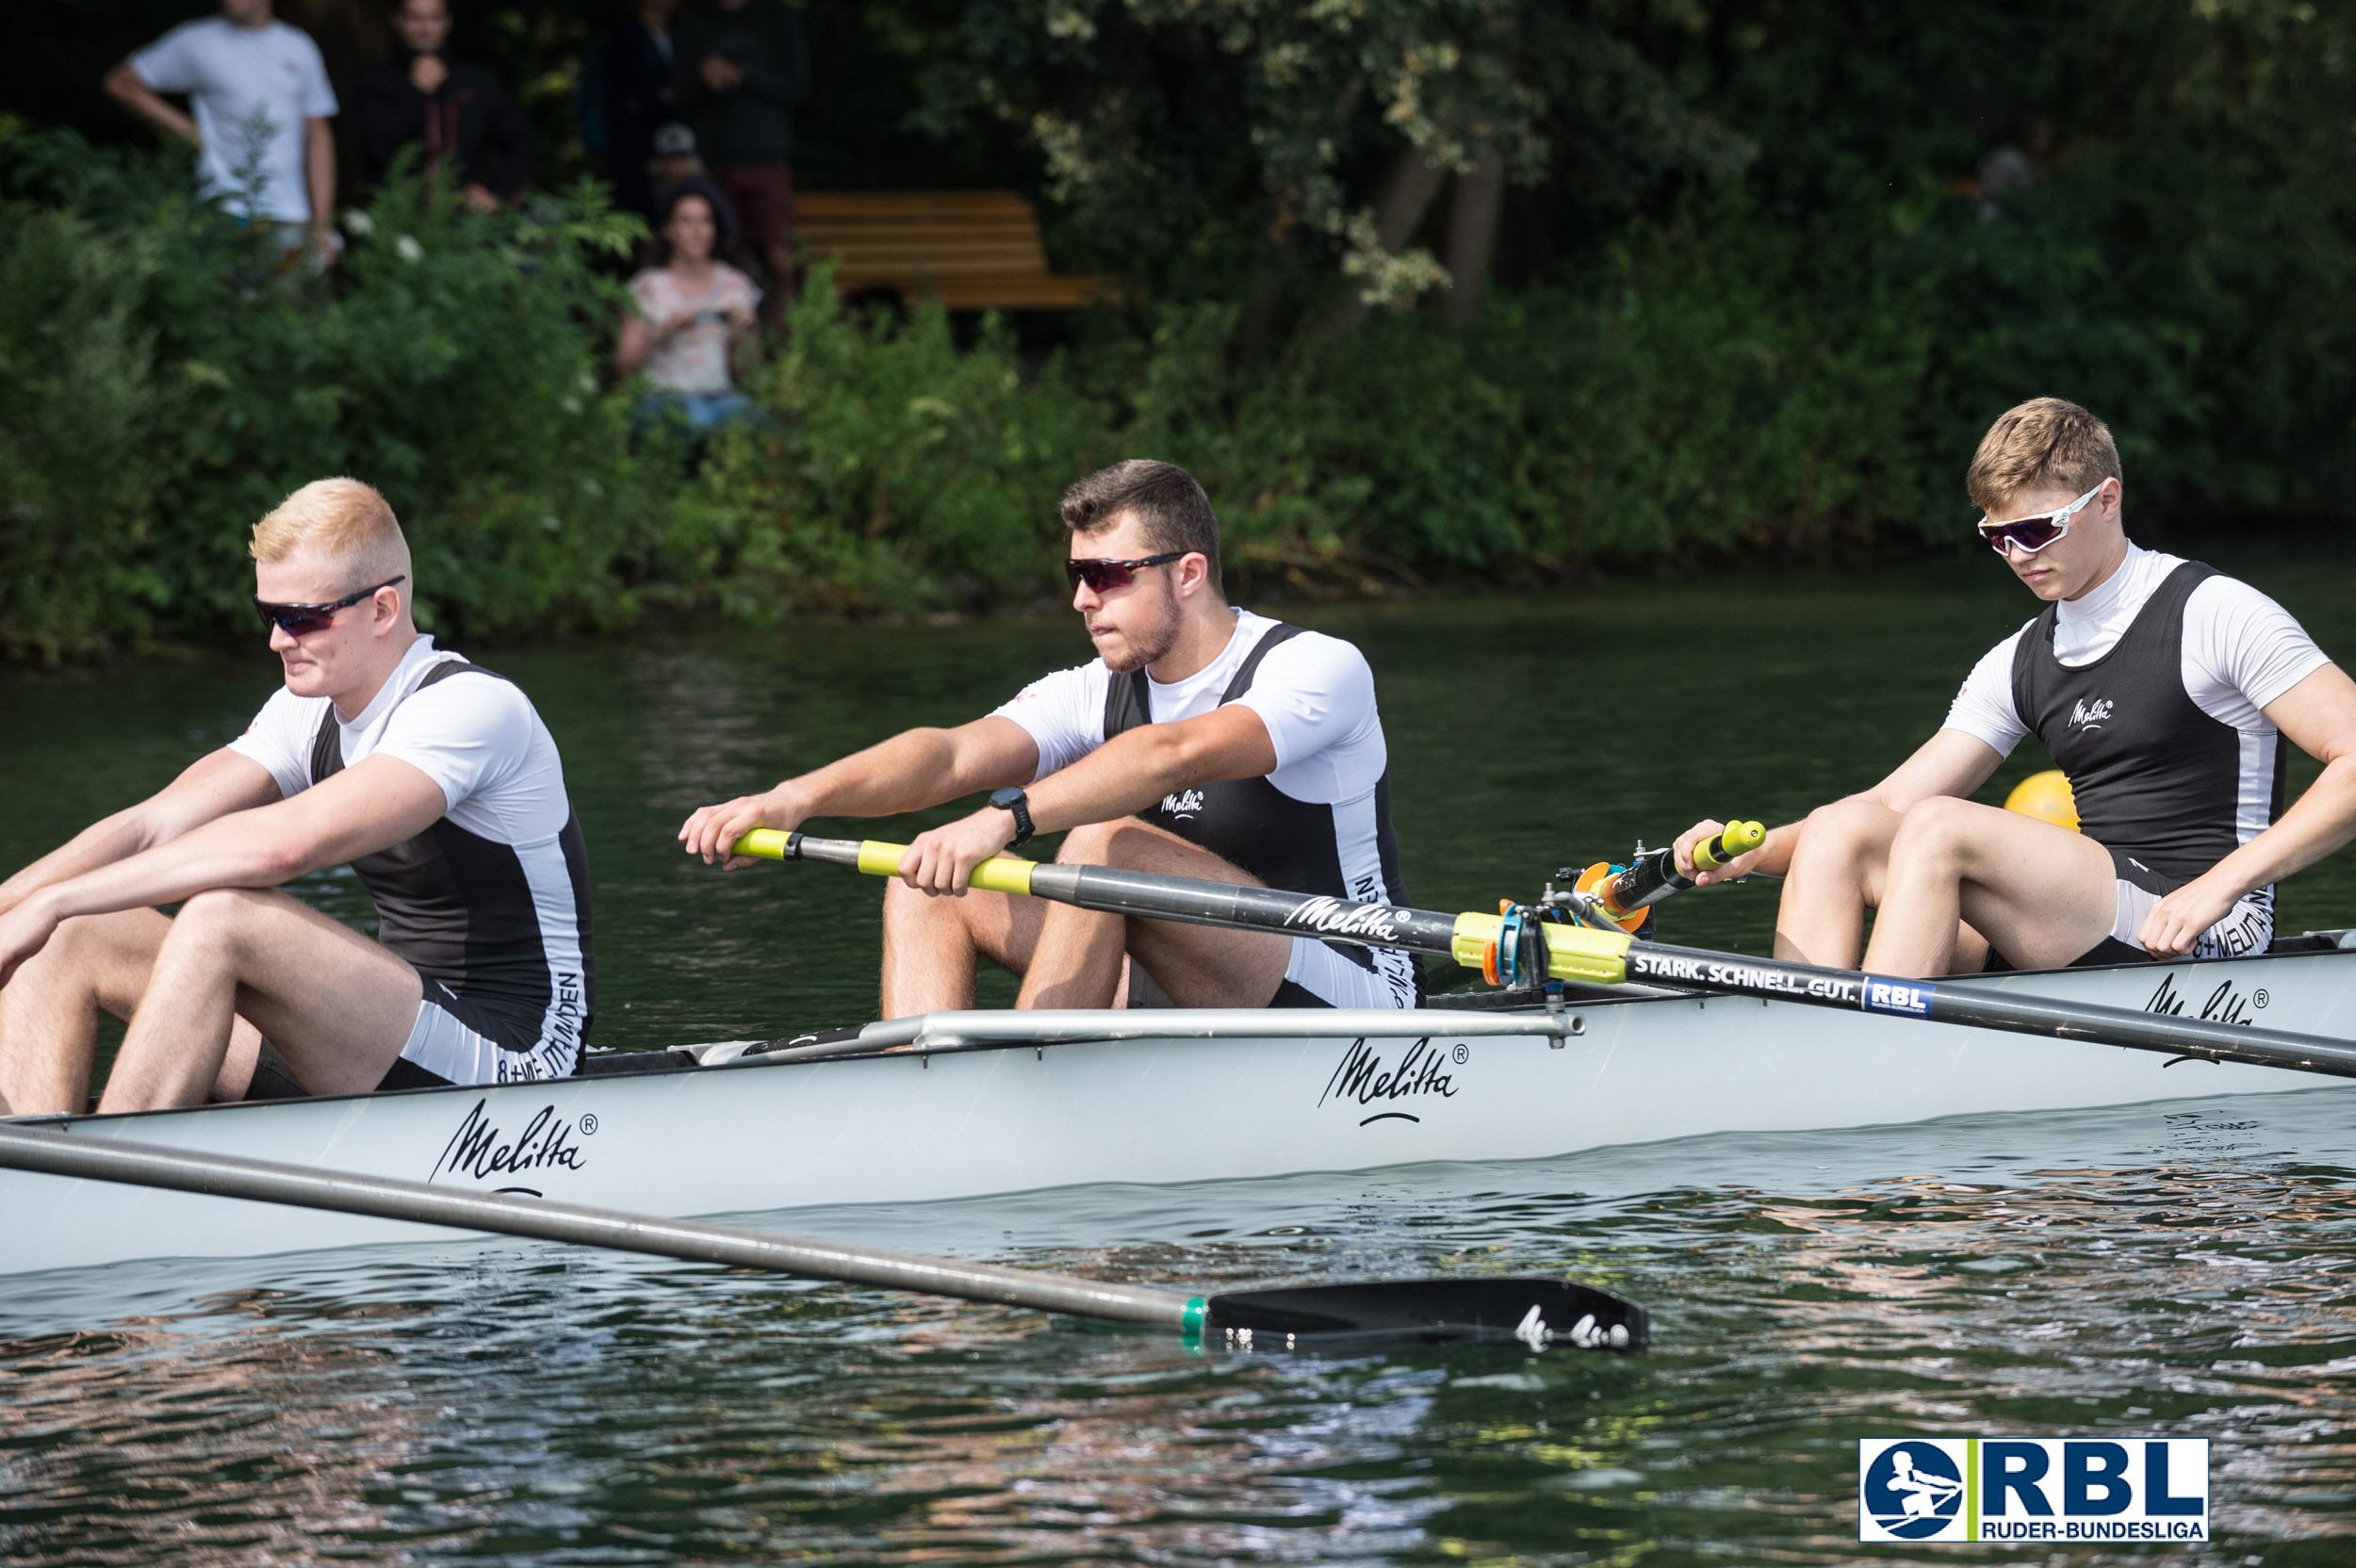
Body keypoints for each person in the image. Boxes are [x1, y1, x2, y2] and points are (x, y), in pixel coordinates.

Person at [679, 460, 1421, 1017]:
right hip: (1174, 981)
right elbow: (949, 755)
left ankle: (1036, 1080)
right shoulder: (1095, 688)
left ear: (1189, 573)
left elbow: (1173, 755)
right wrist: (791, 799)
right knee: (926, 877)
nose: (1080, 599)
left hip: (1350, 987)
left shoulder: (1318, 667)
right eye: (1075, 572)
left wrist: (1004, 819)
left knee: (1107, 844)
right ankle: (921, 1093)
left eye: (1106, 574)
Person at [1673, 397, 2356, 976]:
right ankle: (1801, 1038)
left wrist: (2220, 887)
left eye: (2036, 529)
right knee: (1839, 827)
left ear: (2107, 500)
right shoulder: (2019, 660)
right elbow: (1887, 802)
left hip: (2208, 924)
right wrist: (1755, 852)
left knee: (1941, 827)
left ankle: (1866, 1053)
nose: (2019, 556)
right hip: (2093, 910)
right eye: (1998, 537)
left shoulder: (2214, 612)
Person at [0, 480, 594, 1117]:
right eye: (269, 615)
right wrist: (22, 906)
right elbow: (151, 825)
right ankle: (32, 1169)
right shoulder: (304, 712)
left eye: (302, 618)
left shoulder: (472, 708)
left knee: (222, 914)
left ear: (383, 609)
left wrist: (56, 896)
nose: (278, 641)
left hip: (519, 1058)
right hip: (371, 1036)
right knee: (68, 929)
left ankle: (102, 1189)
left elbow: (284, 847)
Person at [103, 0, 340, 269]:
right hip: (224, 214)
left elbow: (318, 136)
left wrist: (322, 223)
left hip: (291, 217)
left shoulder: (300, 48)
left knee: (295, 310)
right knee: (221, 309)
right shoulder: (196, 41)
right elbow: (121, 83)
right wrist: (188, 131)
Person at [672, 0, 809, 300]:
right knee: (733, 261)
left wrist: (742, 76)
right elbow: (679, 98)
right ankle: (741, 344)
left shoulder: (777, 16)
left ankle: (785, 344)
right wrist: (703, 77)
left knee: (781, 260)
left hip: (768, 157)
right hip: (715, 159)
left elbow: (798, 87)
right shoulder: (693, 19)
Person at [355, 0, 534, 213]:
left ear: (448, 22)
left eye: (434, 19)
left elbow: (523, 141)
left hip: (465, 218)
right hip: (398, 216)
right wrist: (414, 93)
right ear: (398, 21)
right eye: (416, 19)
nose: (425, 28)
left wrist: (496, 193)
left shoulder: (474, 82)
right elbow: (377, 150)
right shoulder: (376, 83)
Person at [614, 179, 761, 433]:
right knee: (697, 421)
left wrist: (746, 334)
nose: (697, 231)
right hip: (662, 396)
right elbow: (623, 367)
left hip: (720, 395)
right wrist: (661, 333)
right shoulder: (647, 286)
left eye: (706, 221)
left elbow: (747, 371)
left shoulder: (736, 284)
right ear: (668, 230)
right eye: (686, 221)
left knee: (755, 418)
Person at [598, 0, 685, 223]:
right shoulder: (625, 34)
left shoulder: (680, 31)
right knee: (641, 210)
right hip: (635, 143)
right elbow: (631, 91)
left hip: (674, 137)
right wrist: (659, 98)